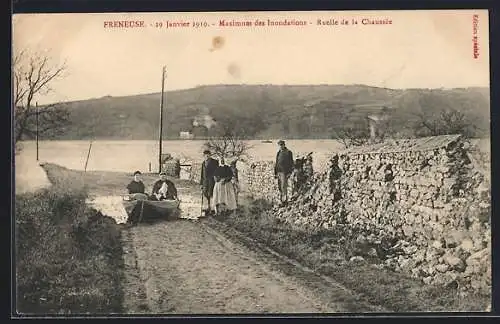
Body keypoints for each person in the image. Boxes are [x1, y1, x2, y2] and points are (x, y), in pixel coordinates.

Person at [274, 140, 294, 206]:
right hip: (279, 172)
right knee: (279, 187)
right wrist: (275, 173)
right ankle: (281, 200)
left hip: (284, 172)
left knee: (283, 186)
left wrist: (289, 172)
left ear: (284, 145)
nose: (280, 146)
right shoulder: (279, 153)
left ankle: (284, 201)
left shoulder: (288, 152)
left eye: (281, 145)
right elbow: (276, 163)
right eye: (279, 145)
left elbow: (291, 163)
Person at [200, 150, 219, 216]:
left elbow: (217, 171)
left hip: (212, 181)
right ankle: (208, 207)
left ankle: (213, 209)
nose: (207, 156)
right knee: (206, 194)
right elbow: (202, 174)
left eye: (208, 155)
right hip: (205, 182)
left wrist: (216, 179)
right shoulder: (203, 163)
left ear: (210, 155)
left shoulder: (215, 162)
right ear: (204, 156)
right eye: (205, 155)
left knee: (211, 194)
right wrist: (201, 184)